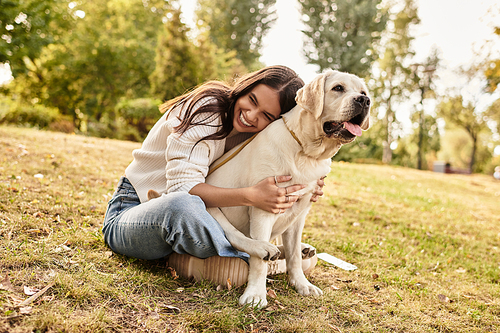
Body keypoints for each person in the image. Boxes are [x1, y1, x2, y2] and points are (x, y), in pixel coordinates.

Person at [102, 65, 325, 265]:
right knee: (181, 206)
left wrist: (305, 185)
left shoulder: (258, 138)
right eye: (252, 100)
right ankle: (248, 257)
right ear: (245, 87)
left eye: (266, 115)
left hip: (197, 219)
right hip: (133, 211)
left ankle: (254, 254)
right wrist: (252, 195)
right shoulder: (208, 107)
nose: (250, 115)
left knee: (195, 212)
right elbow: (182, 189)